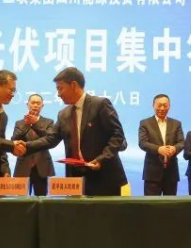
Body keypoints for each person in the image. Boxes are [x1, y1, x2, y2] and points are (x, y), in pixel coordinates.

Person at [26, 67, 127, 196]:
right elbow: (50, 139)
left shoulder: (100, 104)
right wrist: (24, 146)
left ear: (73, 85)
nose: (58, 94)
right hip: (75, 180)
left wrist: (101, 159)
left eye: (60, 88)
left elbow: (117, 135)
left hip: (104, 177)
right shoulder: (63, 114)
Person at [138, 94, 184, 196]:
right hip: (152, 173)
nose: (162, 108)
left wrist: (174, 148)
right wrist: (158, 149)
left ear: (169, 106)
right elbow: (142, 143)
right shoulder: (145, 123)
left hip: (171, 172)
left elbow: (181, 142)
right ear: (153, 105)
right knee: (151, 204)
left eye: (165, 105)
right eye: (159, 105)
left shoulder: (176, 124)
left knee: (170, 204)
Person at [11, 94, 55, 196]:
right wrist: (27, 124)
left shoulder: (49, 122)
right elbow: (14, 140)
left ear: (42, 106)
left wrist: (35, 123)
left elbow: (50, 139)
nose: (35, 105)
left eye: (38, 103)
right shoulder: (20, 123)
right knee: (21, 201)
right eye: (33, 103)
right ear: (27, 104)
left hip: (42, 165)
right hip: (23, 166)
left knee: (41, 199)